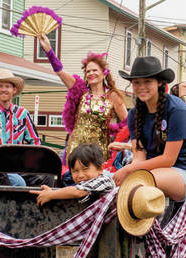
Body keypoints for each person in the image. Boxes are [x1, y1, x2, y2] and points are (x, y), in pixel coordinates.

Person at [113, 57, 186, 202]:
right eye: (136, 82)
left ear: (160, 82)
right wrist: (129, 170)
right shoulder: (134, 114)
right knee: (120, 184)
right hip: (151, 169)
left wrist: (130, 170)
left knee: (139, 182)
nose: (141, 86)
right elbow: (139, 156)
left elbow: (168, 159)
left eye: (147, 81)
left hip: (183, 172)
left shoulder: (177, 111)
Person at [38, 34, 128, 164]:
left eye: (95, 70)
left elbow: (127, 125)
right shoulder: (80, 92)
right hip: (75, 150)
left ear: (104, 72)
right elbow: (60, 71)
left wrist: (115, 139)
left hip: (99, 154)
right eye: (88, 71)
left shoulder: (113, 96)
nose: (91, 74)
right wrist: (48, 50)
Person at [30, 143, 114, 206]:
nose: (80, 175)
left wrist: (51, 194)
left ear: (100, 169)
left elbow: (78, 192)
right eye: (75, 171)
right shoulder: (84, 183)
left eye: (85, 169)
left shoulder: (104, 180)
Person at [0, 69, 40, 146]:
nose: (4, 90)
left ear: (14, 90)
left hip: (16, 157)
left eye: (7, 86)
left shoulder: (22, 114)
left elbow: (35, 141)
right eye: (0, 86)